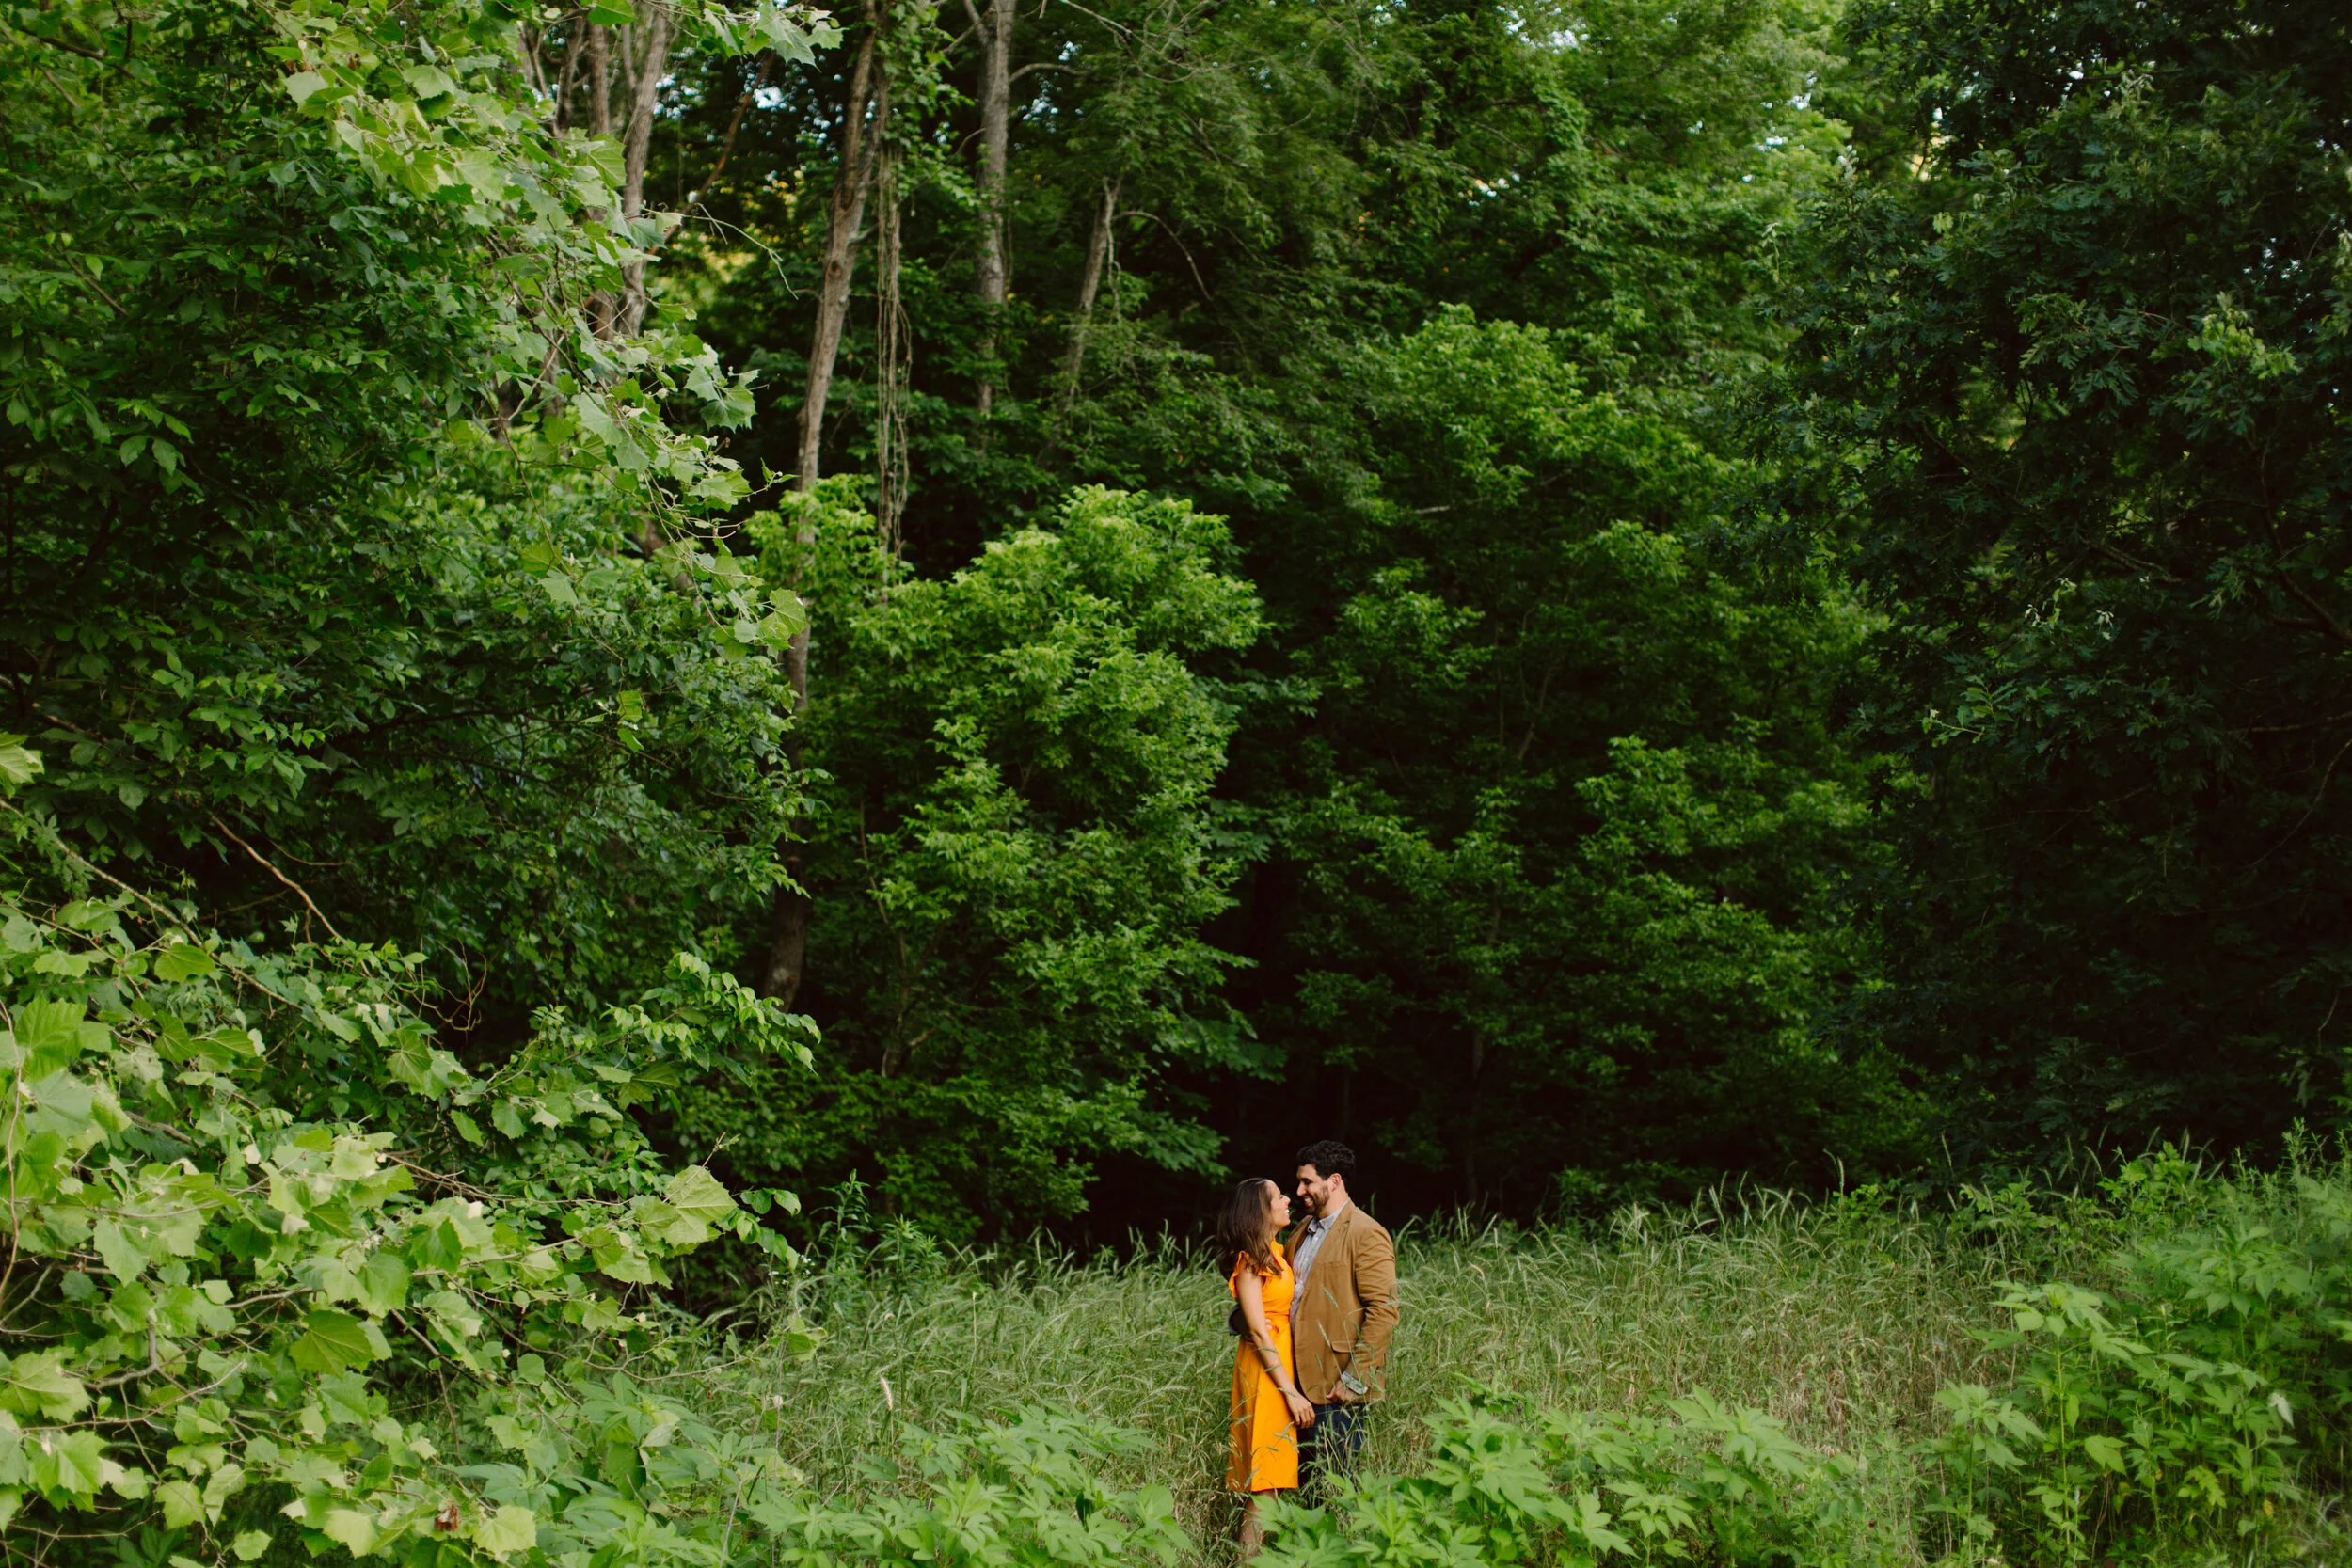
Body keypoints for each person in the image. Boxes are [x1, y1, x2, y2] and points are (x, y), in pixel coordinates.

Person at [1287, 1139, 1398, 1490]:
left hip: (1334, 1386)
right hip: (1292, 1383)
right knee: (1299, 1489)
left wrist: (1354, 1380)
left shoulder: (1367, 1233)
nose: (1299, 1190)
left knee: (1333, 1489)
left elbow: (1384, 1311)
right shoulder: (1301, 1231)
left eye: (1307, 1182)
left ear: (1333, 1181)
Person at [1219, 1177, 1316, 1556]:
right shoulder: (1248, 1262)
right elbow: (1259, 1332)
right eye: (1279, 1196)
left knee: (1272, 1481)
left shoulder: (1276, 1253)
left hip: (1280, 1368)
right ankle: (1248, 1561)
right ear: (1261, 1210)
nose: (1288, 1198)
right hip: (1264, 1373)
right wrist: (1290, 1392)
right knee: (1265, 1482)